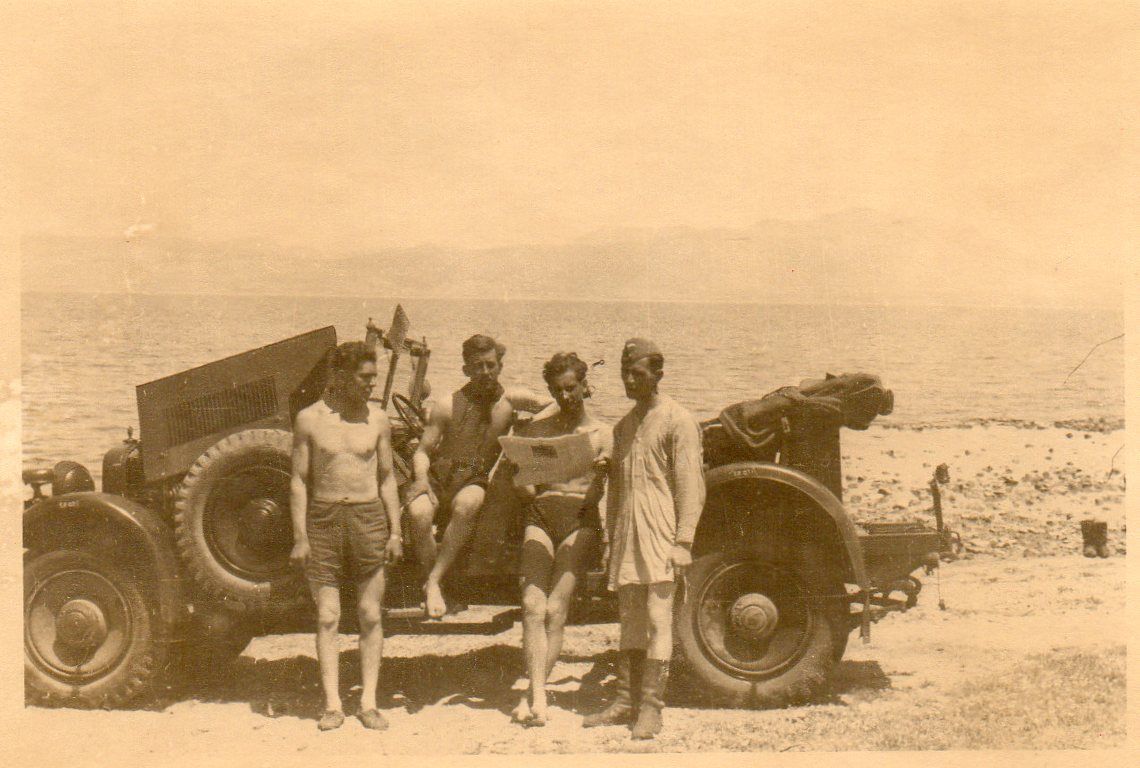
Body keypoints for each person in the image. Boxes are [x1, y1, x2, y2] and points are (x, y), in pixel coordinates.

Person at [582, 338, 705, 739]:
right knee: (629, 621)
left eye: (638, 374)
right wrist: (609, 540)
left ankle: (652, 708)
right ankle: (623, 701)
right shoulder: (623, 426)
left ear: (657, 375)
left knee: (657, 619)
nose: (630, 381)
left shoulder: (677, 420)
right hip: (627, 531)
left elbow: (691, 485)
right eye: (625, 373)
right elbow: (617, 491)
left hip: (661, 530)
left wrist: (683, 540)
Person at [289, 341, 403, 732]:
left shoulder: (378, 420)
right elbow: (299, 481)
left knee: (370, 614)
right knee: (327, 616)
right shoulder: (309, 420)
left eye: (374, 377)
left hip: (369, 518)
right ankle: (333, 704)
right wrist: (300, 535)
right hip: (324, 519)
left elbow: (387, 477)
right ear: (339, 376)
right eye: (363, 377)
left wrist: (396, 531)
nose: (371, 385)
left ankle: (369, 702)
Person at [405, 334, 551, 618]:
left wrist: (530, 426)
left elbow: (556, 403)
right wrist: (421, 480)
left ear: (499, 366)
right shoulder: (448, 404)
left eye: (490, 365)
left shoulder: (510, 402)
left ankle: (433, 583)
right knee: (418, 512)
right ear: (466, 370)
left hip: (474, 479)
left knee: (467, 504)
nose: (485, 372)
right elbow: (422, 451)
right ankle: (434, 579)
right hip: (439, 476)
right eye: (477, 366)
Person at [509, 352, 610, 727]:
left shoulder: (602, 434)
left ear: (585, 386)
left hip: (579, 519)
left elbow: (599, 497)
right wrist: (521, 473)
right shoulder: (540, 429)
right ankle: (537, 695)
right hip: (541, 514)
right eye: (557, 390)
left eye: (571, 388)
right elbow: (525, 490)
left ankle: (531, 694)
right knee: (531, 604)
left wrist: (600, 474)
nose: (565, 396)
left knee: (554, 609)